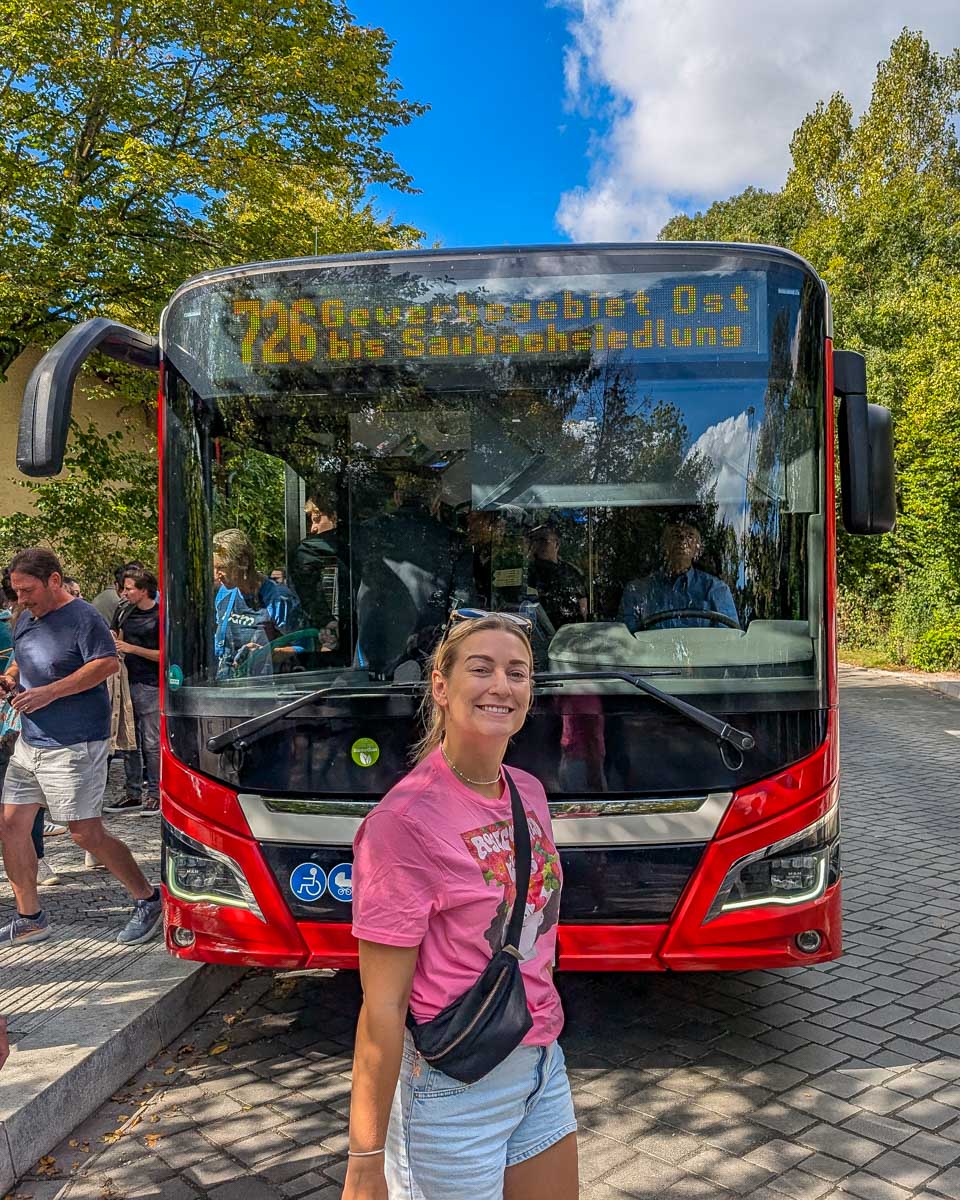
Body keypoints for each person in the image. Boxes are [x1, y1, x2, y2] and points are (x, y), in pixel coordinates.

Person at [345, 612, 576, 1200]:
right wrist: (366, 1160)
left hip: (540, 1063)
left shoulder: (528, 791)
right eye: (482, 668)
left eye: (517, 672)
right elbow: (382, 1007)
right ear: (441, 687)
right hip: (453, 1090)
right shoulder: (403, 823)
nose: (502, 685)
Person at [0, 548, 163, 947]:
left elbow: (106, 663)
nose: (20, 598)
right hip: (31, 741)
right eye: (16, 591)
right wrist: (10, 678)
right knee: (11, 826)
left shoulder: (83, 616)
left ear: (54, 580)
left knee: (85, 834)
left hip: (75, 743)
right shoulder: (25, 616)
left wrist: (49, 693)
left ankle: (148, 899)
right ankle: (30, 917)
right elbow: (23, 659)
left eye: (28, 589)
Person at [354, 474, 473, 678]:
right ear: (436, 503)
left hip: (368, 659)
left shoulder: (366, 533)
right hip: (427, 659)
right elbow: (462, 608)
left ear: (398, 497)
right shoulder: (454, 542)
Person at [106, 568, 161, 815]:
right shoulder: (123, 609)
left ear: (144, 590)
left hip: (151, 683)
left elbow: (164, 656)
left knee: (151, 741)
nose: (125, 592)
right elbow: (115, 633)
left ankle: (156, 793)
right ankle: (133, 792)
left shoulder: (160, 616)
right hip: (125, 680)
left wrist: (131, 648)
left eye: (130, 588)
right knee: (128, 740)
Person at [618, 521, 739, 631]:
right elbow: (626, 640)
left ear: (698, 549)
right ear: (664, 545)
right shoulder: (638, 591)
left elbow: (729, 640)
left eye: (690, 536)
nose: (682, 540)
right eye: (676, 535)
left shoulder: (716, 589)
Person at [213, 528, 303, 677]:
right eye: (214, 567)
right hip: (226, 685)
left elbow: (305, 646)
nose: (217, 575)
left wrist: (267, 653)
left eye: (221, 567)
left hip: (264, 688)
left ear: (244, 561)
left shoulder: (277, 598)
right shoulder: (224, 594)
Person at [526, 523, 588, 630]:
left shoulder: (571, 571)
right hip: (541, 628)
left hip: (570, 628)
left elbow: (582, 603)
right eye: (536, 541)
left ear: (557, 544)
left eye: (544, 541)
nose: (539, 545)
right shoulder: (529, 571)